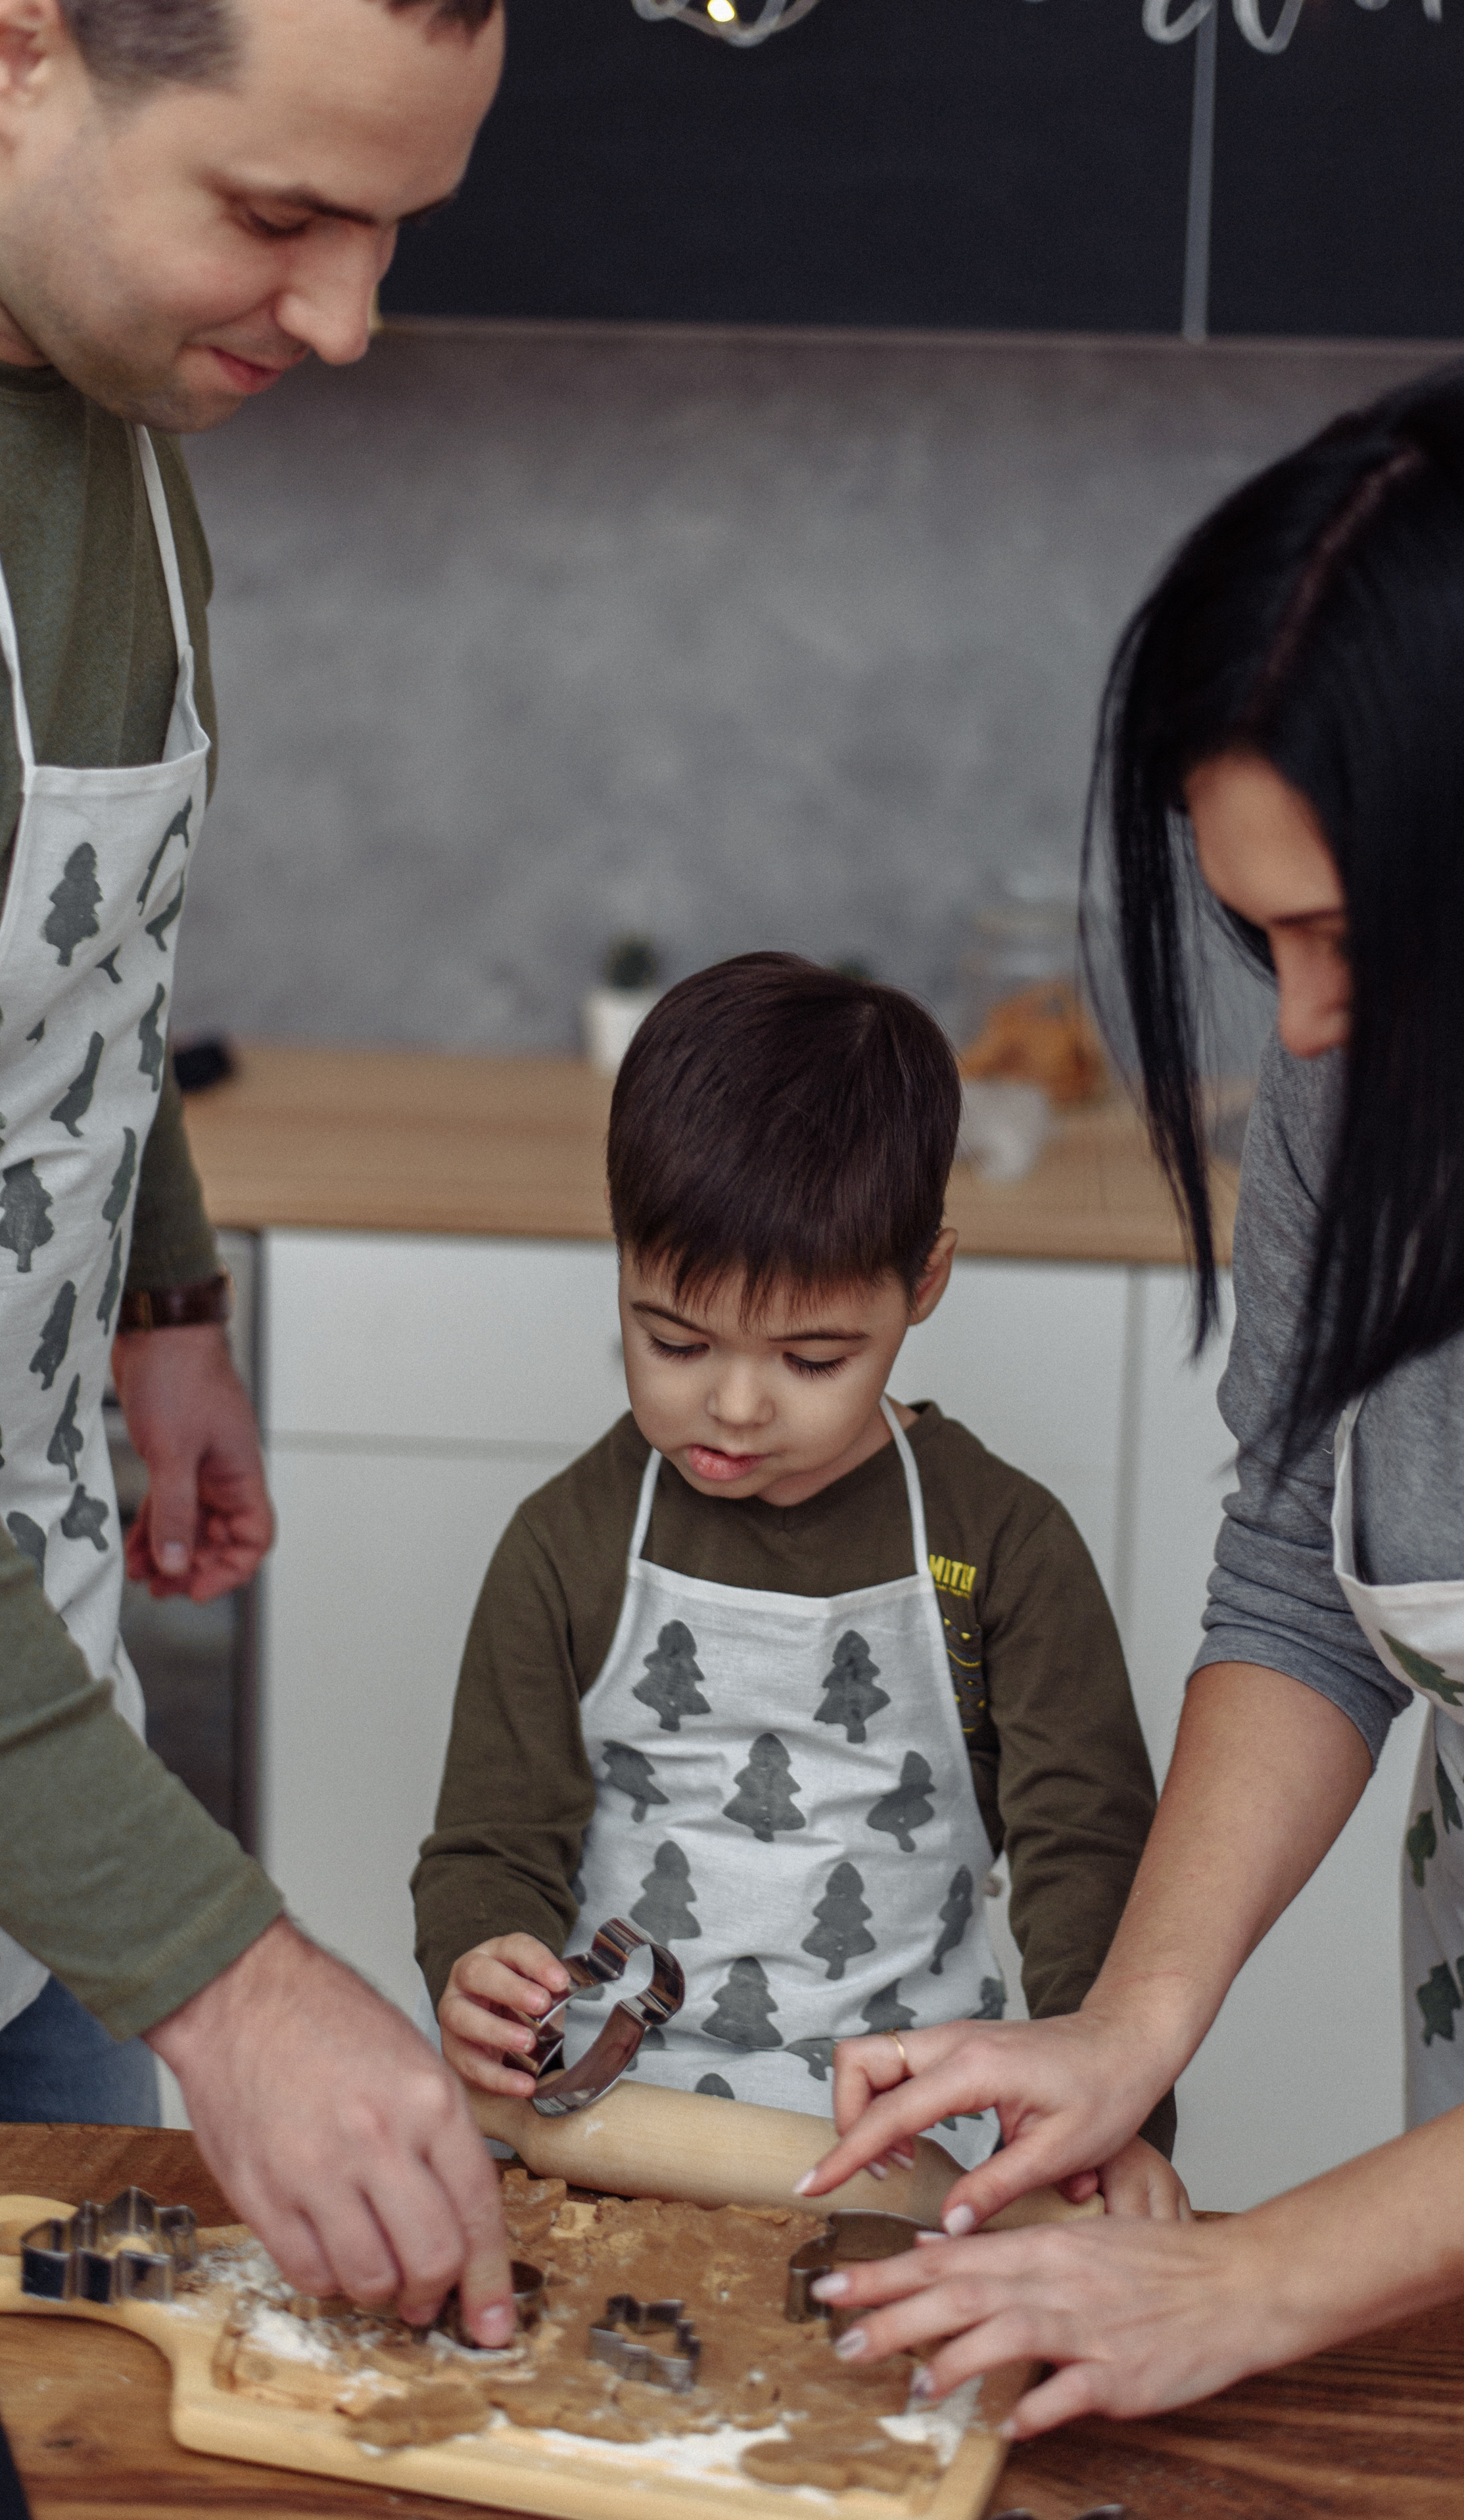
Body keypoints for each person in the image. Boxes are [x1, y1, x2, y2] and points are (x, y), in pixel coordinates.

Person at [791, 357, 1464, 2433]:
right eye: (1255, 932)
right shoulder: (1364, 1081)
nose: (1300, 1028)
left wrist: (1257, 2278)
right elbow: (1303, 1573)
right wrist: (1131, 2018)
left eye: (1355, 936)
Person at [0, 0, 517, 2343]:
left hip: (38, 1759)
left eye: (392, 227)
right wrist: (231, 1978)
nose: (346, 318)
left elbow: (73, 961)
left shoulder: (111, 425)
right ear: (20, 53)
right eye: (282, 214)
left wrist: (159, 1287)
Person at [412, 952, 1180, 2200]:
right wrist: (480, 1960)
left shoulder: (997, 1546)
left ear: (922, 1283)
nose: (733, 1403)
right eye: (672, 1338)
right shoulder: (567, 1543)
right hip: (608, 2135)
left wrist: (1118, 2113)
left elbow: (1085, 1851)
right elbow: (491, 1842)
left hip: (914, 2147)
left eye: (814, 1356)